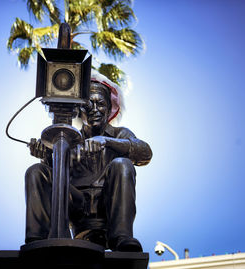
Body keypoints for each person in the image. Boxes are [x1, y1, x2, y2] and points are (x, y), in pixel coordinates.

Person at [25, 72, 152, 252]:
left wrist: (107, 142)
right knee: (36, 171)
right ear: (79, 110)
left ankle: (122, 237)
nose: (94, 108)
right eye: (88, 104)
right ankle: (37, 238)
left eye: (100, 103)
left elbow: (145, 153)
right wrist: (44, 155)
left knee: (122, 164)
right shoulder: (68, 139)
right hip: (76, 206)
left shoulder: (119, 134)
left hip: (107, 204)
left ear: (108, 108)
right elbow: (54, 179)